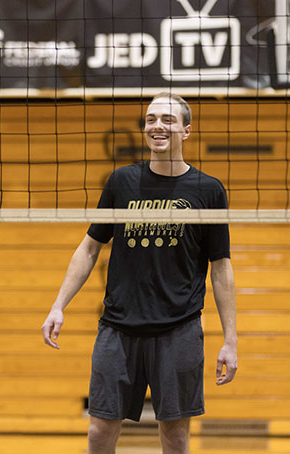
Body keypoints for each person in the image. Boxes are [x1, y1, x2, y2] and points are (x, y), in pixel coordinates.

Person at [41, 93, 237, 454]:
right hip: (118, 328)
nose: (157, 126)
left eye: (167, 119)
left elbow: (220, 267)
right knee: (99, 432)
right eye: (150, 119)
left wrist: (231, 339)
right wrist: (58, 304)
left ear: (187, 130)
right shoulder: (121, 182)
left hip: (179, 329)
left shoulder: (208, 191)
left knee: (175, 437)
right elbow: (89, 247)